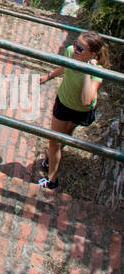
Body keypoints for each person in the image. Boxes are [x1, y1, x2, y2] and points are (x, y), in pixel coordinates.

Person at [37, 32, 109, 192]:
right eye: (76, 44)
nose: (75, 49)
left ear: (93, 54)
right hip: (64, 103)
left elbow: (86, 100)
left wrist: (87, 71)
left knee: (67, 132)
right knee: (54, 140)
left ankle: (53, 162)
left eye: (80, 48)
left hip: (81, 110)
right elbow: (65, 67)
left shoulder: (97, 72)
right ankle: (52, 179)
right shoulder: (70, 51)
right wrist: (49, 76)